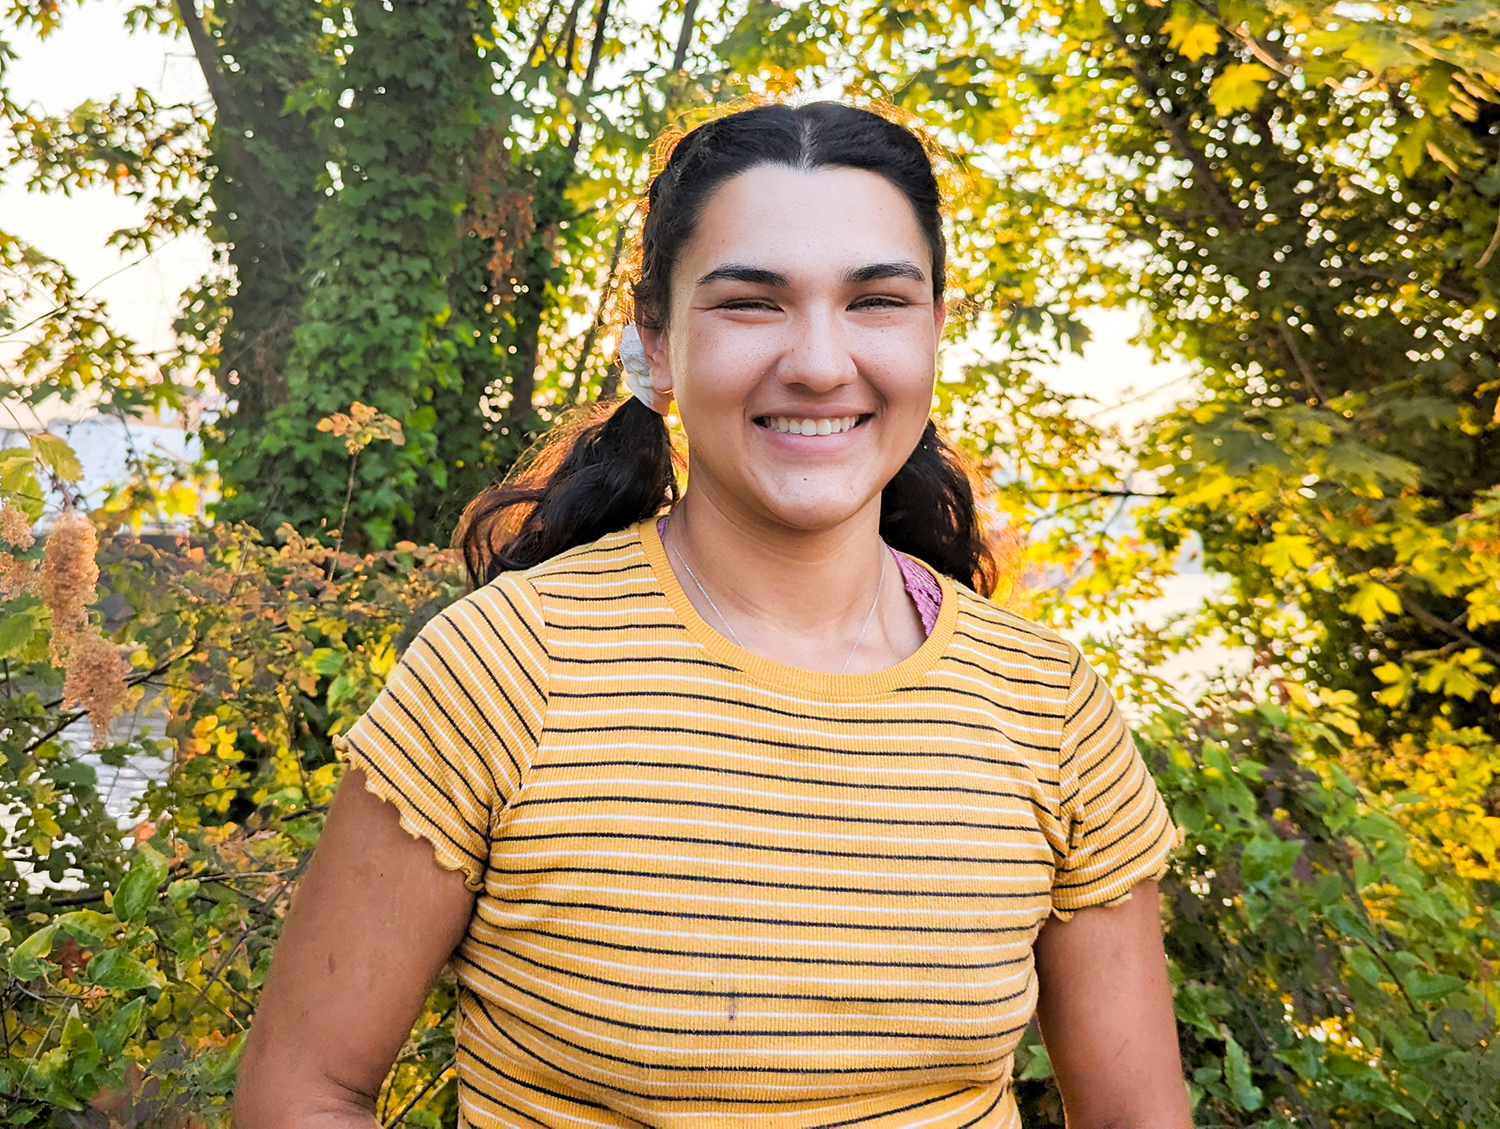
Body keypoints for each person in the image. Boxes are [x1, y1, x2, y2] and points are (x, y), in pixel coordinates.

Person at [235, 102, 1191, 1129]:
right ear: (655, 341)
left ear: (934, 333)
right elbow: (306, 1090)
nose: (822, 362)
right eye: (752, 303)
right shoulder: (506, 670)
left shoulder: (1050, 706)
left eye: (876, 300)